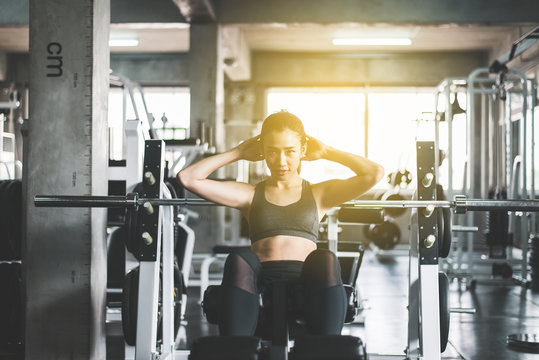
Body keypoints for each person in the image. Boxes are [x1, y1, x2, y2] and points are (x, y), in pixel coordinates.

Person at [177, 110, 384, 336]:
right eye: (272, 152)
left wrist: (326, 151)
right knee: (239, 258)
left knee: (325, 258)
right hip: (257, 283)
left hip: (308, 283)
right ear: (263, 151)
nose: (281, 161)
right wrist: (239, 152)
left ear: (303, 150)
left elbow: (374, 173)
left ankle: (325, 349)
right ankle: (237, 349)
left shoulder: (318, 194)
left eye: (290, 151)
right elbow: (188, 178)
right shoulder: (250, 194)